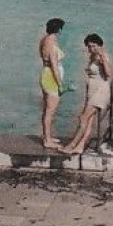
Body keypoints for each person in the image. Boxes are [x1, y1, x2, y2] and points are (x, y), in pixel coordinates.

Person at [62, 34, 112, 156]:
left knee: (83, 118)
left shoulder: (102, 56)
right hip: (92, 91)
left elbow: (109, 73)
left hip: (100, 92)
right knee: (88, 121)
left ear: (99, 45)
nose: (91, 49)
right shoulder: (93, 56)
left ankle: (71, 145)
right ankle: (80, 146)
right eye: (89, 47)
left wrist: (103, 58)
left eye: (93, 46)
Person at [38, 17, 67, 149]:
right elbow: (55, 65)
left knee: (47, 109)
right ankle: (47, 140)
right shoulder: (51, 42)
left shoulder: (45, 40)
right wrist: (60, 84)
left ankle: (47, 137)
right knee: (50, 110)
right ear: (59, 29)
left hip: (46, 73)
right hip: (51, 76)